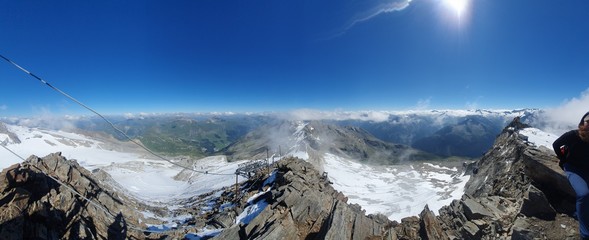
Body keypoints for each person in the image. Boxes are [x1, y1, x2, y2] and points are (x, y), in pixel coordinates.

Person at [553, 111, 589, 239]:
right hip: (573, 168)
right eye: (588, 122)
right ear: (582, 123)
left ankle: (578, 213)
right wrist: (563, 160)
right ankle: (585, 234)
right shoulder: (573, 135)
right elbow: (556, 144)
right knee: (584, 194)